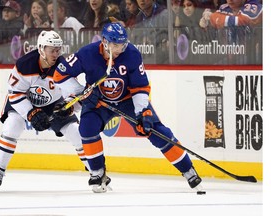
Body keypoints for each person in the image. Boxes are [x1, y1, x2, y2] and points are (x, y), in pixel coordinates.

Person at [53, 22, 202, 193]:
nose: (119, 49)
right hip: (98, 101)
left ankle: (188, 170)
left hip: (127, 100)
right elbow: (60, 75)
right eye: (115, 45)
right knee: (87, 128)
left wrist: (142, 112)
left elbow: (140, 87)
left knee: (154, 130)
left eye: (122, 45)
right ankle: (97, 173)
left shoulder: (131, 54)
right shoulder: (87, 53)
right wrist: (83, 92)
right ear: (104, 41)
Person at [0, 30, 94, 192]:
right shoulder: (24, 64)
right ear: (40, 49)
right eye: (52, 49)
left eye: (58, 49)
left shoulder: (63, 68)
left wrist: (68, 107)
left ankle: (95, 172)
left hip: (53, 103)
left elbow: (77, 96)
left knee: (75, 132)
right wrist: (30, 113)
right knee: (13, 125)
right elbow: (15, 93)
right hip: (23, 100)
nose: (56, 53)